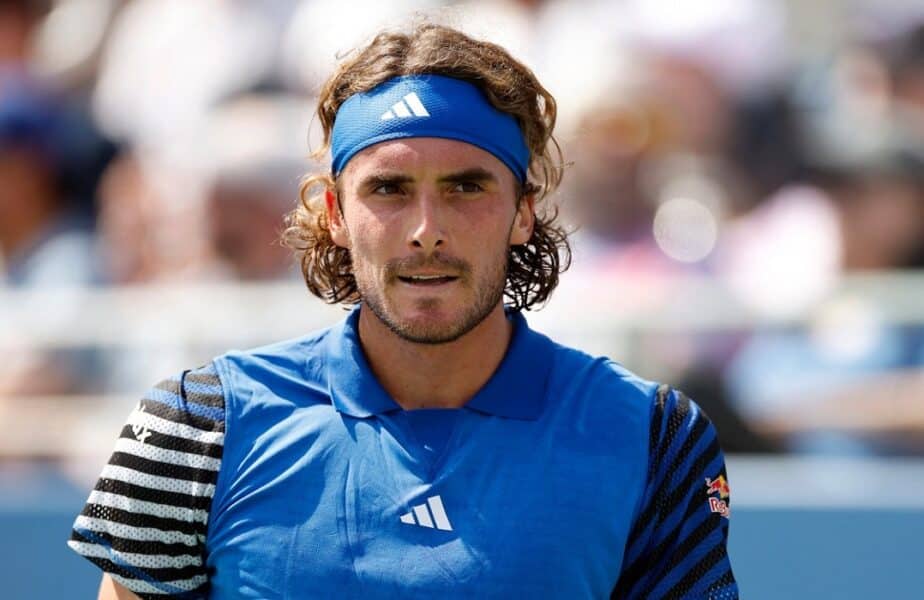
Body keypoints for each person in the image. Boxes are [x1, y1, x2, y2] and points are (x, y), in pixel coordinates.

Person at [68, 23, 738, 600]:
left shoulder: (653, 434)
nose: (426, 231)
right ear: (335, 214)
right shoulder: (195, 427)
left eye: (465, 187)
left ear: (523, 211)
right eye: (388, 189)